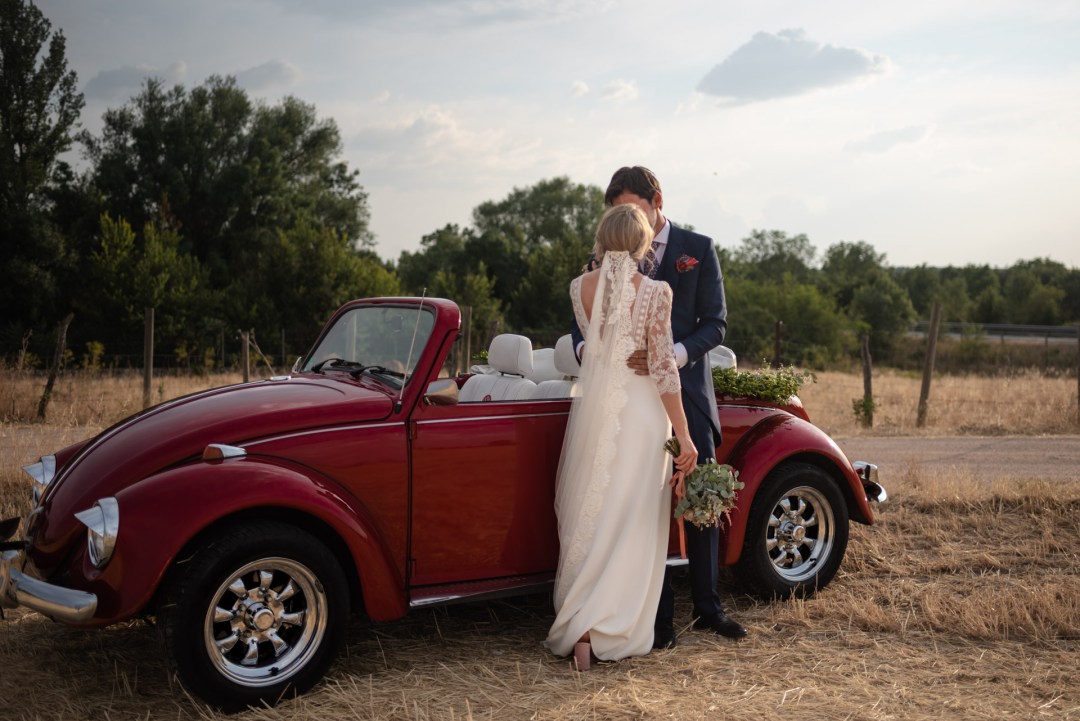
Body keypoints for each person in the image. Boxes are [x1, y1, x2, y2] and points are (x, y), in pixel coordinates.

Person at [572, 166, 746, 649]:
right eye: (617, 209)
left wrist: (670, 356)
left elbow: (715, 324)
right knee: (636, 507)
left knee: (700, 502)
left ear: (657, 201)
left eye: (632, 206)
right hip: (626, 404)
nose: (626, 216)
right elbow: (579, 328)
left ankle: (709, 608)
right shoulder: (602, 256)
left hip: (684, 391)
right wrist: (597, 358)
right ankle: (654, 617)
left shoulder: (699, 248)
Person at [544, 203, 698, 670]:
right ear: (641, 243)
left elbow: (595, 347)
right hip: (641, 415)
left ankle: (583, 630)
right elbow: (664, 370)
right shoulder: (655, 292)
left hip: (595, 412)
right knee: (631, 518)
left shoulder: (579, 288)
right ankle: (609, 625)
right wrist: (686, 437)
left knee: (594, 511)